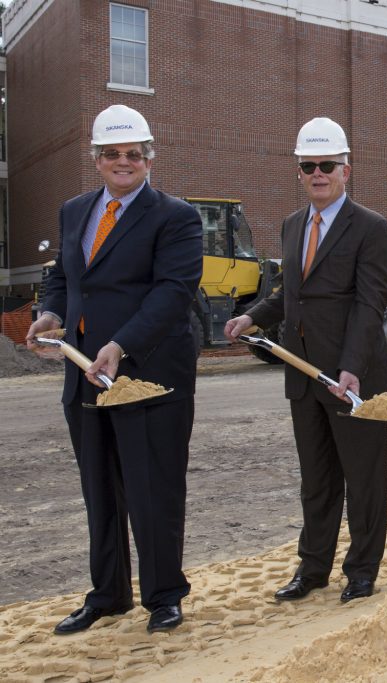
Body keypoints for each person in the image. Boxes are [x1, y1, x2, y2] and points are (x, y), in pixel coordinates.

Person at [26, 105, 203, 634]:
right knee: (99, 489)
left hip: (148, 373)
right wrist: (50, 313)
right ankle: (107, 594)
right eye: (111, 154)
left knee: (154, 489)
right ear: (97, 159)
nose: (122, 162)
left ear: (149, 159)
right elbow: (64, 276)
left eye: (132, 154)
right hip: (85, 374)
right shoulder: (74, 211)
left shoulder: (176, 217)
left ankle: (164, 595)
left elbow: (173, 292)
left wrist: (121, 345)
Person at [224, 117, 387, 603]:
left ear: (346, 169)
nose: (317, 173)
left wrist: (353, 366)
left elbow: (369, 303)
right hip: (303, 377)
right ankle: (313, 568)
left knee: (363, 480)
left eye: (326, 165)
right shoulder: (293, 225)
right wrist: (252, 318)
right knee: (317, 481)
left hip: (352, 377)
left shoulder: (371, 228)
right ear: (299, 171)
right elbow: (290, 295)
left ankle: (361, 570)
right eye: (308, 166)